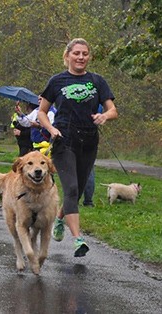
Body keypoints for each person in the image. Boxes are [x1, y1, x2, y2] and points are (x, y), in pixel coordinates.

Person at [38, 38, 117, 257]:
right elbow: (41, 112)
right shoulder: (57, 81)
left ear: (89, 57)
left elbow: (113, 110)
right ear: (67, 56)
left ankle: (60, 218)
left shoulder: (97, 81)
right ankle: (78, 239)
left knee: (78, 192)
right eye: (76, 53)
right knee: (71, 189)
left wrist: (104, 115)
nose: (81, 57)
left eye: (85, 54)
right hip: (64, 139)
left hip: (89, 141)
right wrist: (51, 129)